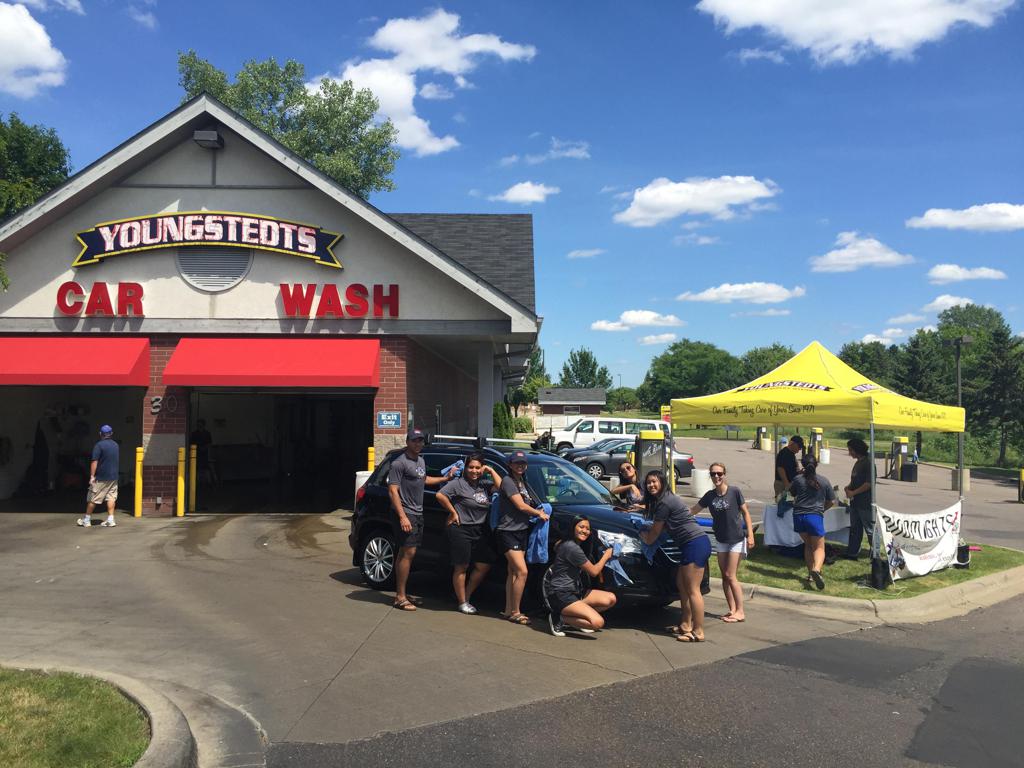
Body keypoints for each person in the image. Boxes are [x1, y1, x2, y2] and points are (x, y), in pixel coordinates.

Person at [639, 469, 711, 642]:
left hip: (695, 544)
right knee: (682, 584)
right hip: (691, 545)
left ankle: (698, 631)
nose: (651, 485)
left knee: (693, 589)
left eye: (655, 481)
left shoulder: (664, 502)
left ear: (663, 482)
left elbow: (654, 534)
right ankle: (685, 624)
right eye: (648, 482)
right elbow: (667, 524)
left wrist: (644, 537)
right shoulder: (666, 500)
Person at [387, 429, 454, 611]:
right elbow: (393, 491)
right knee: (408, 553)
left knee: (405, 553)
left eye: (420, 441)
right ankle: (400, 597)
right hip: (406, 512)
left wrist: (445, 478)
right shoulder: (399, 463)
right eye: (415, 440)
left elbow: (423, 479)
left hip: (417, 512)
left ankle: (402, 593)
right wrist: (402, 516)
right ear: (408, 441)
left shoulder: (420, 460)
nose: (418, 444)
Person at [436, 453, 502, 615]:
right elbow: (440, 495)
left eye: (478, 467)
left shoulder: (484, 484)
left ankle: (466, 594)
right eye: (471, 467)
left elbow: (501, 487)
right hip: (461, 529)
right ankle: (462, 602)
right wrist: (453, 512)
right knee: (462, 566)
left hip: (479, 530)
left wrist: (490, 470)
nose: (474, 470)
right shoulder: (458, 484)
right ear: (465, 468)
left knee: (483, 565)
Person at [693, 462, 754, 623]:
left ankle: (740, 611)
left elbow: (746, 513)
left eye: (719, 473)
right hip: (721, 540)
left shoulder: (734, 492)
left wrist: (751, 536)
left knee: (730, 574)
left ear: (724, 474)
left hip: (736, 539)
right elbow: (692, 511)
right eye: (713, 474)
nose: (716, 477)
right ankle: (732, 609)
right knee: (724, 577)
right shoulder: (709, 496)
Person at [497, 450, 549, 625]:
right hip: (508, 532)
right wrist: (539, 513)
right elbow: (520, 505)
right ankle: (516, 612)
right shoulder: (508, 481)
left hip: (521, 530)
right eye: (517, 463)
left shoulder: (523, 482)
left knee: (512, 571)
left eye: (523, 463)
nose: (520, 466)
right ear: (510, 465)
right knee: (522, 571)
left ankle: (507, 609)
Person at [544, 515, 617, 637]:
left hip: (575, 591)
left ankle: (576, 618)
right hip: (561, 594)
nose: (585, 531)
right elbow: (593, 571)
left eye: (587, 528)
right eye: (581, 527)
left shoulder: (566, 542)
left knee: (610, 599)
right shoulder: (572, 548)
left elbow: (556, 546)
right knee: (597, 623)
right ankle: (559, 617)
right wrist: (606, 556)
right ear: (573, 527)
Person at [790, 455, 836, 590]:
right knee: (819, 547)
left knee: (808, 545)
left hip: (798, 516)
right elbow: (831, 501)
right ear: (817, 465)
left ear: (803, 464)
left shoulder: (797, 479)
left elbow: (792, 493)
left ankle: (810, 574)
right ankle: (816, 569)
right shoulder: (824, 481)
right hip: (814, 516)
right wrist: (822, 509)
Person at [77, 425, 119, 529]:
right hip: (113, 477)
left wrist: (92, 476)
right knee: (111, 497)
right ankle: (110, 519)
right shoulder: (115, 445)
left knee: (93, 498)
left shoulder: (99, 445)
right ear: (111, 433)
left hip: (101, 477)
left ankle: (86, 520)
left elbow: (94, 461)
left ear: (100, 434)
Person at [843, 438, 874, 560]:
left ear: (857, 450)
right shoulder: (858, 463)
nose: (849, 453)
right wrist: (848, 488)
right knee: (855, 528)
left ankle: (875, 554)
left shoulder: (868, 463)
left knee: (870, 530)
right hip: (855, 502)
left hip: (865, 503)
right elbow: (855, 480)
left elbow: (869, 483)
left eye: (851, 450)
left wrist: (853, 492)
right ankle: (852, 552)